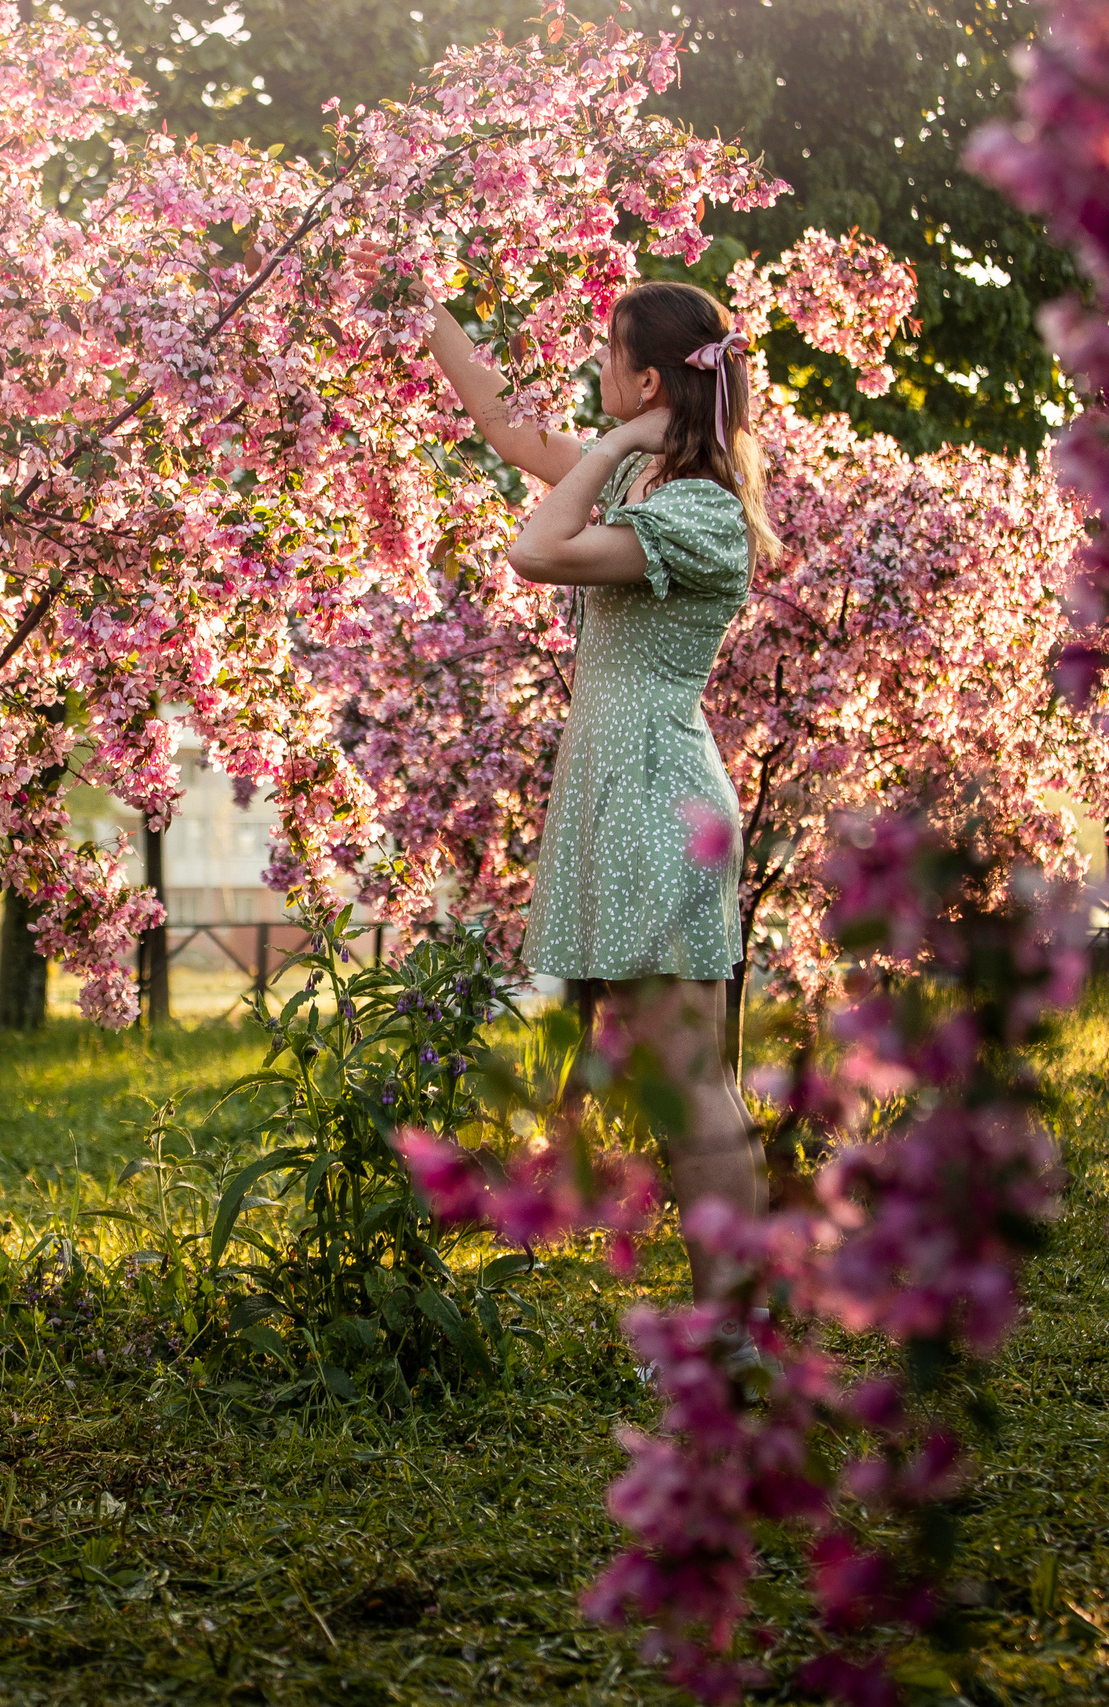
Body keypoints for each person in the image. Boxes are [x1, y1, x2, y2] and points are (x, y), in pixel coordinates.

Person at [426, 283, 771, 1310]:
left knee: (690, 1085)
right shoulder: (650, 486)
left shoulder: (698, 510)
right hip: (630, 795)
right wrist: (418, 306)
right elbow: (505, 425)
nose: (596, 368)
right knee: (683, 1083)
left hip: (658, 798)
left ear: (651, 382)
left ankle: (737, 1328)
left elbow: (535, 551)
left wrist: (615, 444)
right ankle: (736, 1320)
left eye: (610, 355)